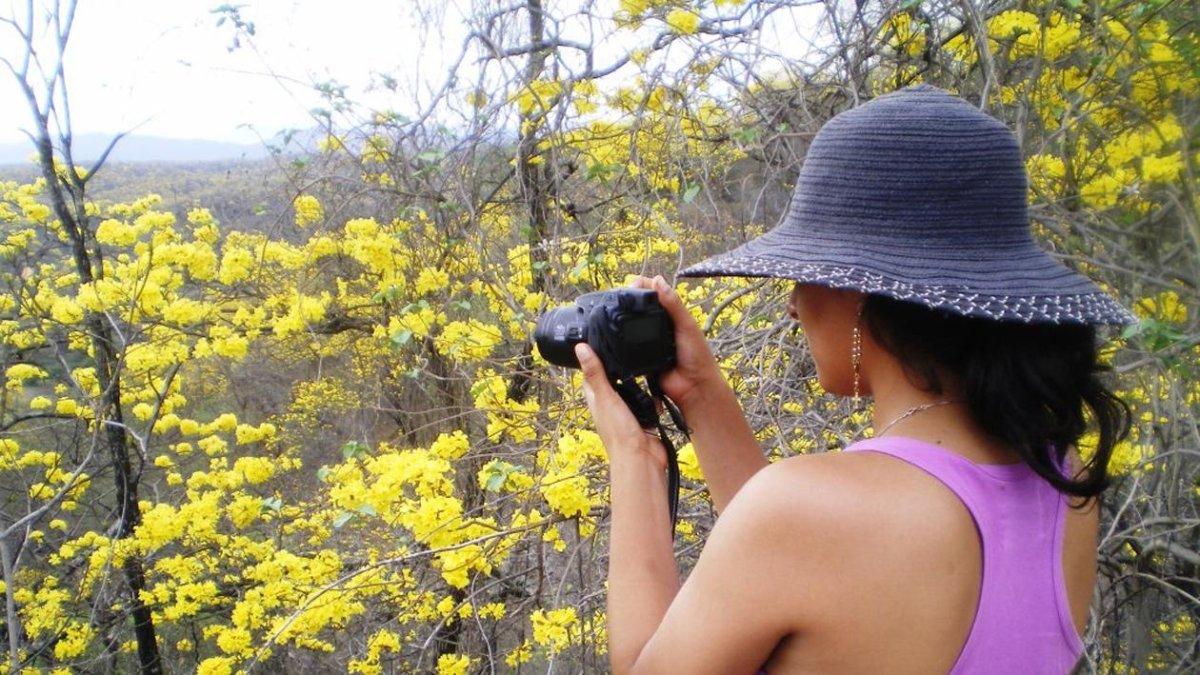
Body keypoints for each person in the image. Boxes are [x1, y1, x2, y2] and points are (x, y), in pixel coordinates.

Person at [573, 84, 1136, 674]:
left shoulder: (806, 515)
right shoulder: (1064, 481)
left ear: (861, 293)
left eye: (806, 275)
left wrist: (635, 458)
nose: (793, 304)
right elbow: (803, 573)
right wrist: (700, 393)